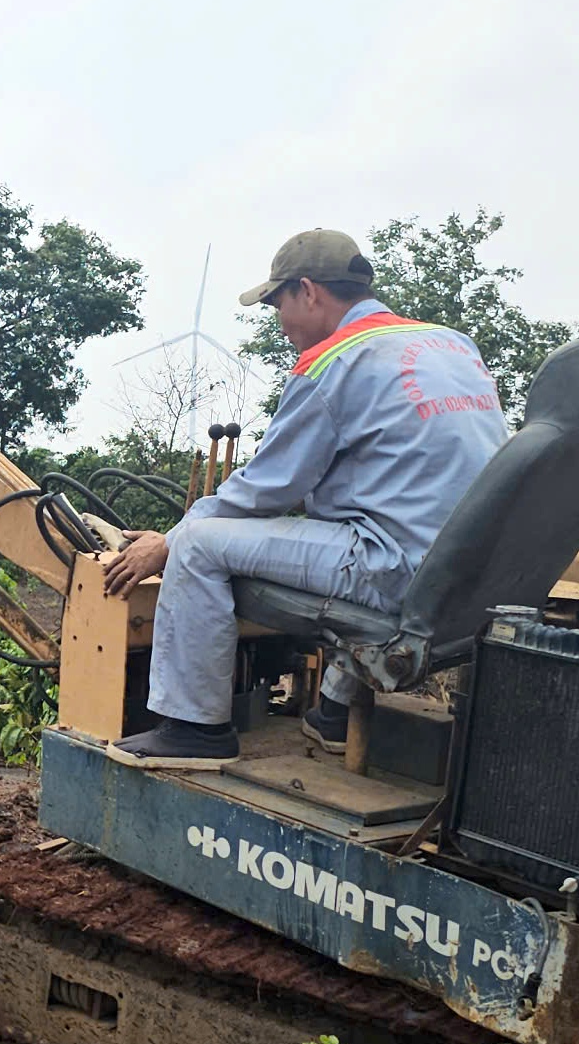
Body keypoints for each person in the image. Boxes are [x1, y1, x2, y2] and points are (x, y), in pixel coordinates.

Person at [101, 228, 508, 768]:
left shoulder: (333, 362)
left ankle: (195, 730)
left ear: (309, 291)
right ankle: (334, 713)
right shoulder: (451, 344)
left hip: (396, 568)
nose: (280, 323)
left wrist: (167, 543)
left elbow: (268, 487)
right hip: (473, 570)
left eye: (278, 304)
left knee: (198, 543)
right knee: (348, 524)